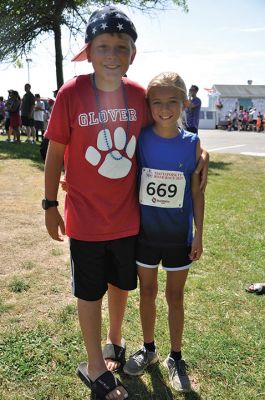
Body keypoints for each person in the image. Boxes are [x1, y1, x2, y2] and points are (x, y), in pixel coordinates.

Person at [44, 6, 209, 400]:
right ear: (88, 51)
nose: (112, 54)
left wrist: (201, 152)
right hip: (85, 218)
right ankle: (96, 367)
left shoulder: (139, 96)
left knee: (121, 285)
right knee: (89, 291)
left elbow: (169, 132)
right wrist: (50, 203)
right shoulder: (71, 93)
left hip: (128, 219)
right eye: (103, 46)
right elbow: (54, 153)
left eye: (121, 46)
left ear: (133, 54)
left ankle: (114, 343)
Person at [123, 72, 204, 394]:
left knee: (175, 296)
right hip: (145, 234)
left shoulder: (193, 144)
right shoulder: (141, 138)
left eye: (172, 102)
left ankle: (176, 356)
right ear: (148, 105)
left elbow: (198, 192)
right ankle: (149, 348)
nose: (165, 108)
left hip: (177, 237)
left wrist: (198, 234)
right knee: (146, 292)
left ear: (185, 104)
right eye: (157, 102)